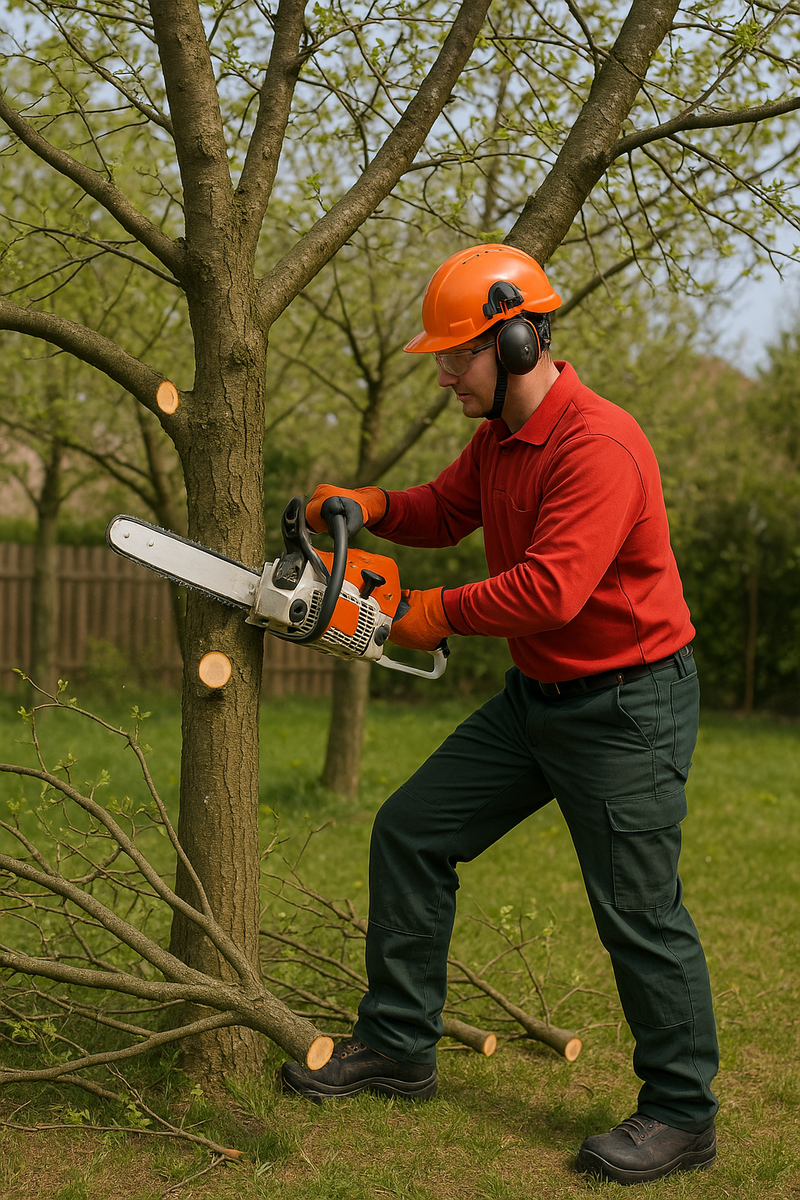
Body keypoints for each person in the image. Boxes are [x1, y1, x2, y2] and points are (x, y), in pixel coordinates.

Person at [281, 244, 719, 1186]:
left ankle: (683, 1113)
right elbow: (444, 508)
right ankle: (400, 1045)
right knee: (411, 830)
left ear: (518, 340)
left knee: (639, 913)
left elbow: (551, 591)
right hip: (539, 699)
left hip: (625, 705)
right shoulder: (500, 440)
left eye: (456, 355)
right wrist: (367, 503)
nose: (443, 373)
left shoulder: (596, 445)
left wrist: (424, 611)